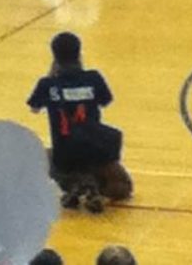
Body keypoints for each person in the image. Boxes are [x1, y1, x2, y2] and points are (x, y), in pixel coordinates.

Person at [27, 32, 133, 212]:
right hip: (94, 149)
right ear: (79, 53)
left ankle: (75, 183)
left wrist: (53, 77)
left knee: (40, 156)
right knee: (123, 188)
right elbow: (105, 101)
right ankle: (93, 184)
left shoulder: (48, 84)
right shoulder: (93, 78)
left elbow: (34, 108)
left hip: (64, 153)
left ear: (55, 56)